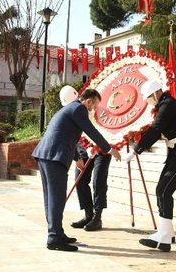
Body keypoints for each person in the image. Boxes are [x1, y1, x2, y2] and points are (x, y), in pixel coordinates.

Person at [32, 88, 121, 251]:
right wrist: (109, 149)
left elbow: (64, 134)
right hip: (54, 158)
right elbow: (91, 132)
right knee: (56, 198)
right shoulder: (79, 108)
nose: (93, 110)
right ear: (88, 101)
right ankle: (54, 238)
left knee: (51, 198)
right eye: (94, 106)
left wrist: (75, 157)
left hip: (46, 155)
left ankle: (57, 233)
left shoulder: (69, 109)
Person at [122, 80, 176, 252]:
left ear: (156, 93)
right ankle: (167, 234)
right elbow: (154, 128)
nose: (149, 101)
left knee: (164, 191)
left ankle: (164, 235)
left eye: (149, 97)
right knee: (162, 190)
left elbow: (156, 129)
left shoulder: (167, 105)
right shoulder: (165, 104)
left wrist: (136, 151)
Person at [70, 144, 111, 232]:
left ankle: (97, 218)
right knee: (79, 180)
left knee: (98, 182)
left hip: (102, 148)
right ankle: (88, 215)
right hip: (84, 148)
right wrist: (76, 156)